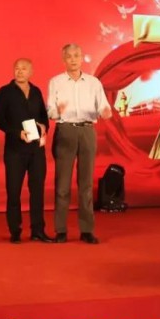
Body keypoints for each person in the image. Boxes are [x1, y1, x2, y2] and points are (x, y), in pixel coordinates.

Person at [47, 43, 112, 244]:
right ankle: (60, 230)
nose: (73, 59)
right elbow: (50, 111)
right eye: (69, 56)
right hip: (65, 130)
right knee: (62, 184)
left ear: (82, 57)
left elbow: (103, 107)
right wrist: (58, 110)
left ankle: (86, 230)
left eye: (76, 55)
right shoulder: (56, 82)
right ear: (63, 59)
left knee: (86, 184)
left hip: (87, 131)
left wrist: (105, 112)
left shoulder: (93, 82)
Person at [0, 58, 53, 244]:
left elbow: (43, 116)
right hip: (14, 150)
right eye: (17, 68)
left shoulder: (36, 91)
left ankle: (38, 230)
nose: (20, 71)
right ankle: (15, 230)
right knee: (13, 191)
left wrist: (44, 127)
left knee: (37, 190)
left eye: (24, 68)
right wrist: (17, 132)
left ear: (31, 72)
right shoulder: (5, 92)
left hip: (36, 149)